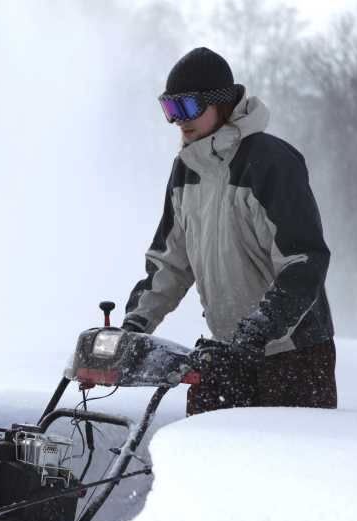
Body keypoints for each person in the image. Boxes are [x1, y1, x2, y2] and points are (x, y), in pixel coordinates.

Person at [121, 47, 337, 415]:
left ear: (220, 104)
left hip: (293, 357)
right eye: (170, 110)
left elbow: (305, 262)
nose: (178, 121)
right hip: (229, 352)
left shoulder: (270, 162)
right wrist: (133, 327)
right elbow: (170, 262)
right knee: (211, 460)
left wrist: (259, 329)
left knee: (288, 468)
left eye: (187, 108)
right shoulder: (186, 170)